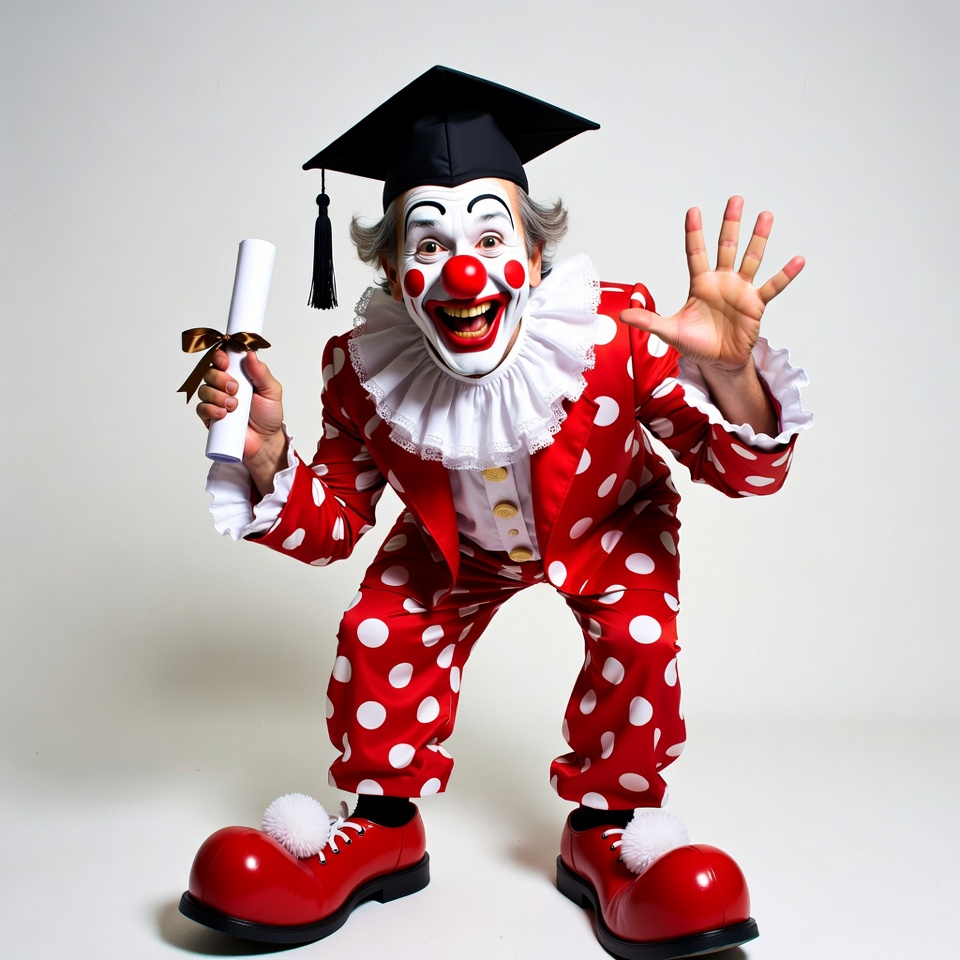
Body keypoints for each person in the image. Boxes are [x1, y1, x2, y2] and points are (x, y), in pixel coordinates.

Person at [178, 66, 811, 959]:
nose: (461, 266)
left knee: (638, 636)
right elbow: (332, 528)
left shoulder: (617, 333)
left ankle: (609, 831)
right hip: (453, 547)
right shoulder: (362, 372)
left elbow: (741, 473)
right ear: (397, 278)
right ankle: (382, 828)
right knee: (378, 631)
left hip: (606, 524)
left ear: (536, 259)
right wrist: (268, 453)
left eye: (488, 231)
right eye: (427, 243)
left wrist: (735, 373)